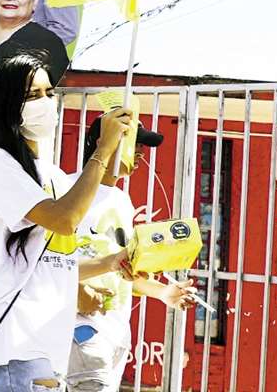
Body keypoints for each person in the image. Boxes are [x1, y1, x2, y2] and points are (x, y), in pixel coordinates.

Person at [0, 53, 135, 391]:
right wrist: (102, 149)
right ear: (9, 105)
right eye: (33, 95)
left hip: (45, 352)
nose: (46, 102)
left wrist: (112, 263)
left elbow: (56, 263)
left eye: (49, 93)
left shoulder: (51, 175)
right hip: (14, 349)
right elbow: (65, 220)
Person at [67, 117, 198, 391]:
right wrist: (75, 289)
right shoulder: (66, 191)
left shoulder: (122, 201)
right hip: (81, 332)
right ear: (104, 144)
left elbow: (120, 269)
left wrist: (162, 293)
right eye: (132, 144)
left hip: (116, 335)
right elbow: (45, 263)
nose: (140, 153)